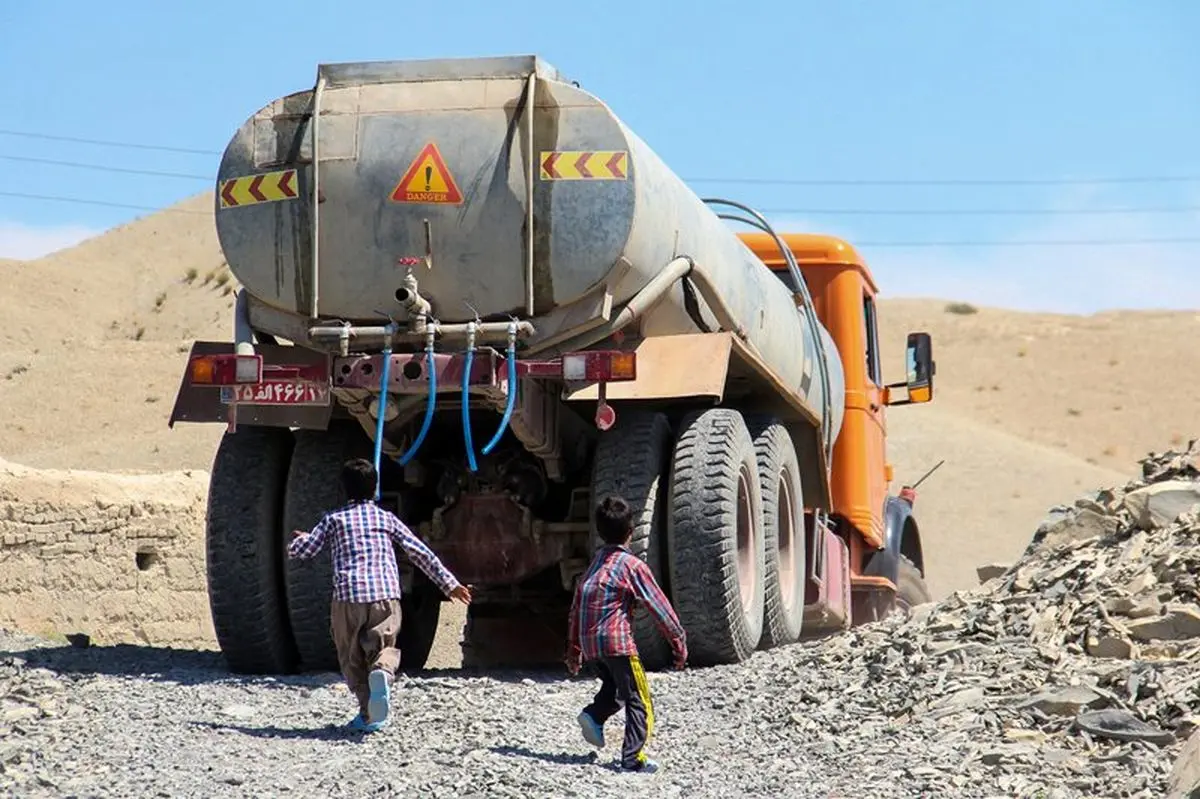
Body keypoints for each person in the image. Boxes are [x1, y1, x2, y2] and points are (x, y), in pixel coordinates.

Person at [288, 457, 472, 733]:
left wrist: (297, 540)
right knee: (383, 647)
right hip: (385, 596)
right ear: (375, 489)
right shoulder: (386, 519)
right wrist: (450, 584)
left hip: (348, 598)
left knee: (351, 658)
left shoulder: (333, 520)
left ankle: (368, 713)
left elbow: (305, 551)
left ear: (343, 489)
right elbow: (420, 553)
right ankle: (382, 674)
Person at [565, 494, 688, 774]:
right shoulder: (632, 566)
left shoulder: (592, 566)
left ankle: (593, 715)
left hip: (591, 646)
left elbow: (576, 608)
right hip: (617, 643)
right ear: (631, 532)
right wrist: (679, 642)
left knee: (617, 689)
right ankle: (633, 759)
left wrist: (573, 653)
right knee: (639, 699)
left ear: (599, 532)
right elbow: (660, 608)